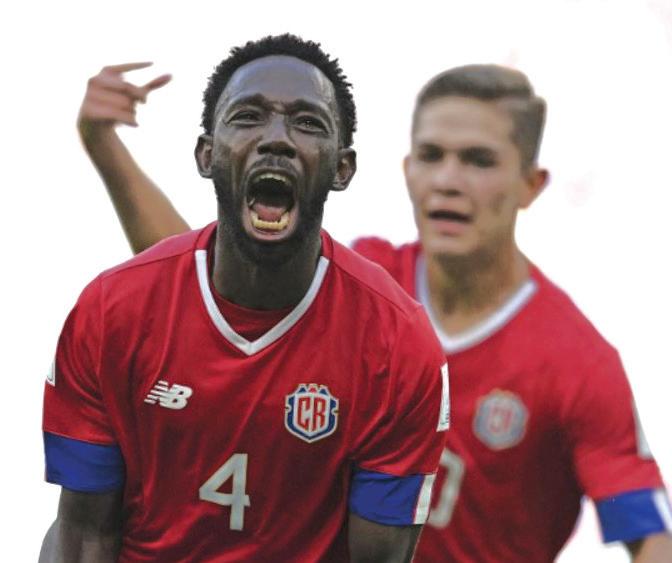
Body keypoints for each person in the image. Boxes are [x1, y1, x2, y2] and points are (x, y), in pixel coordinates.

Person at [74, 57, 672, 562]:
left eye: (479, 160)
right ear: (407, 172)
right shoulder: (361, 290)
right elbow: (200, 285)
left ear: (530, 185)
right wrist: (107, 148)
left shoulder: (576, 360)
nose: (448, 181)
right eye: (431, 156)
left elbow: (651, 536)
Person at [41, 35, 451, 563]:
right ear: (207, 154)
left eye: (308, 123)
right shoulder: (109, 312)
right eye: (248, 117)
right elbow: (84, 535)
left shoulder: (398, 346)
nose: (276, 139)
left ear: (342, 168)